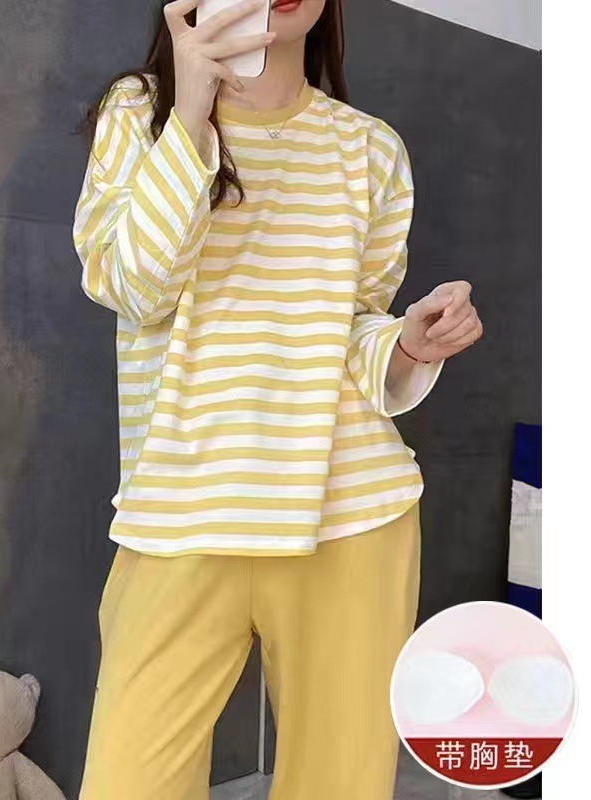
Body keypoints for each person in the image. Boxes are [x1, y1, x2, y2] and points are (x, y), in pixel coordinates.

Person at [71, 0, 483, 797]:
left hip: (350, 513)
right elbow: (132, 286)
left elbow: (352, 327)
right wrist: (190, 116)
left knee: (340, 784)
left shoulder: (370, 148)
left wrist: (406, 342)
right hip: (184, 510)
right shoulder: (140, 112)